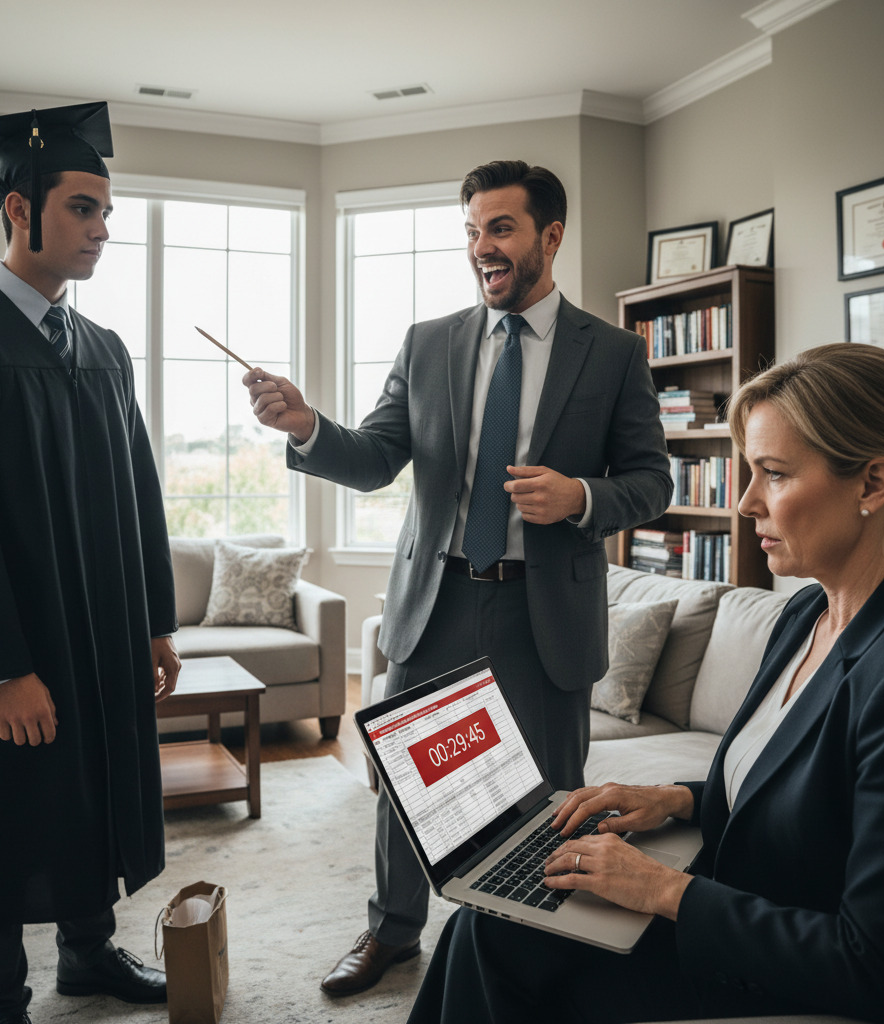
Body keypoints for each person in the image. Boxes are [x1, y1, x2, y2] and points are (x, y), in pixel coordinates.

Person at [407, 342, 884, 1024]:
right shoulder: (807, 613)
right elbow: (799, 794)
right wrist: (672, 799)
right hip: (737, 906)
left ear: (873, 485)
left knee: (506, 954)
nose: (747, 501)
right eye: (748, 472)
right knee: (487, 922)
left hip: (787, 967)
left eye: (774, 474)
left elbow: (882, 968)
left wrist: (661, 891)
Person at [243, 158, 672, 994]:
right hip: (433, 601)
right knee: (409, 783)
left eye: (500, 229)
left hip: (543, 611)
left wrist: (581, 494)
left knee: (550, 795)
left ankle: (536, 946)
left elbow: (654, 481)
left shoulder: (614, 352)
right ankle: (393, 934)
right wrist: (305, 427)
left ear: (551, 236)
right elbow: (374, 459)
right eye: (472, 232)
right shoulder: (429, 341)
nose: (483, 248)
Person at [0, 102, 181, 1024]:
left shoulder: (103, 350)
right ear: (17, 209)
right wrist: (0, 667)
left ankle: (87, 953)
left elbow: (139, 493)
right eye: (82, 208)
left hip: (102, 634)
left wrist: (155, 620)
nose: (101, 231)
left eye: (106, 212)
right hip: (13, 648)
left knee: (92, 791)